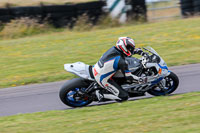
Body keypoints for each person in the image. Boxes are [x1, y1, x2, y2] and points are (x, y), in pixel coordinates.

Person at [92, 37, 148, 101]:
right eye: (129, 47)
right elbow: (129, 77)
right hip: (102, 78)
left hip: (98, 68)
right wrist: (141, 80)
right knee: (124, 97)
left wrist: (137, 51)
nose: (131, 49)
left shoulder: (114, 49)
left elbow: (127, 53)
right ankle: (101, 94)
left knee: (122, 76)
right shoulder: (121, 62)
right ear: (123, 46)